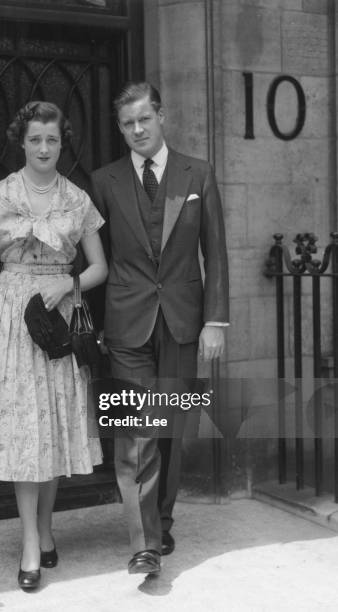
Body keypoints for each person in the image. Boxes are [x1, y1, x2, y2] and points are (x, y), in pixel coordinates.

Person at [0, 101, 108, 590]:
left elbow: (99, 268)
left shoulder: (78, 200)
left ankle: (46, 528)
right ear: (20, 142)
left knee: (51, 429)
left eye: (52, 139)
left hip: (57, 322)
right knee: (26, 433)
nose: (44, 148)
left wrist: (69, 285)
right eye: (35, 139)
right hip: (9, 321)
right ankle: (30, 541)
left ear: (61, 143)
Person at [90, 82, 229, 575]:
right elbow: (93, 255)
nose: (137, 130)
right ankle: (145, 543)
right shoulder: (103, 181)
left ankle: (161, 521)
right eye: (127, 124)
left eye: (144, 119)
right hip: (127, 324)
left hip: (183, 323)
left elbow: (215, 251)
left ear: (162, 116)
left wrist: (215, 320)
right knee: (135, 430)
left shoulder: (199, 173)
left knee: (169, 427)